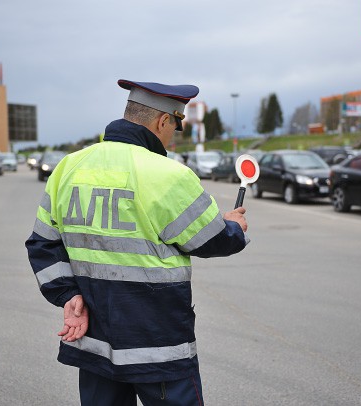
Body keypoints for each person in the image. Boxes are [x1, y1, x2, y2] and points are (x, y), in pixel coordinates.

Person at [26, 79, 249, 405]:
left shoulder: (68, 168)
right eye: (176, 125)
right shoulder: (168, 174)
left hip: (94, 345)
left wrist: (68, 294)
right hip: (157, 348)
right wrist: (235, 227)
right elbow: (212, 239)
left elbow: (42, 244)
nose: (173, 135)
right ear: (163, 120)